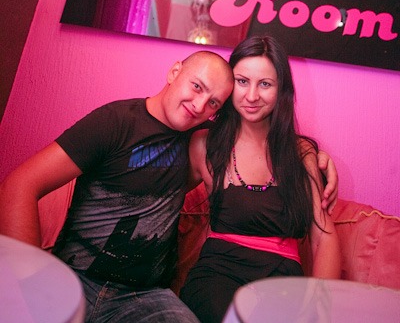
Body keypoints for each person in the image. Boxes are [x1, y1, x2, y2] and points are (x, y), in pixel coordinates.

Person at [0, 49, 337, 323]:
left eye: (214, 103)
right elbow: (20, 185)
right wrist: (36, 283)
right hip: (73, 280)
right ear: (175, 72)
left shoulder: (200, 142)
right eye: (197, 87)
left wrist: (313, 156)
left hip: (143, 298)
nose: (199, 106)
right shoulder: (115, 123)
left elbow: (259, 147)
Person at [180, 36, 341, 323]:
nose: (252, 96)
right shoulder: (204, 145)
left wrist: (318, 309)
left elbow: (323, 239)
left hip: (282, 287)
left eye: (265, 84)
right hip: (216, 279)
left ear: (281, 90)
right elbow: (158, 193)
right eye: (242, 81)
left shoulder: (301, 153)